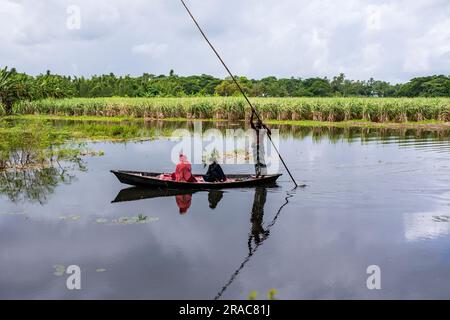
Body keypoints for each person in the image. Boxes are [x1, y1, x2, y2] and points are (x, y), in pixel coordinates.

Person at [250, 110, 271, 177]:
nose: (256, 125)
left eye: (257, 124)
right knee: (256, 160)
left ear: (260, 126)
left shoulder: (262, 130)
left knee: (261, 160)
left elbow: (270, 133)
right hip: (255, 147)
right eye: (256, 124)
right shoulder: (254, 130)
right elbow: (251, 122)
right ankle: (258, 173)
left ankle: (263, 174)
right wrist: (252, 114)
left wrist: (265, 126)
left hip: (260, 147)